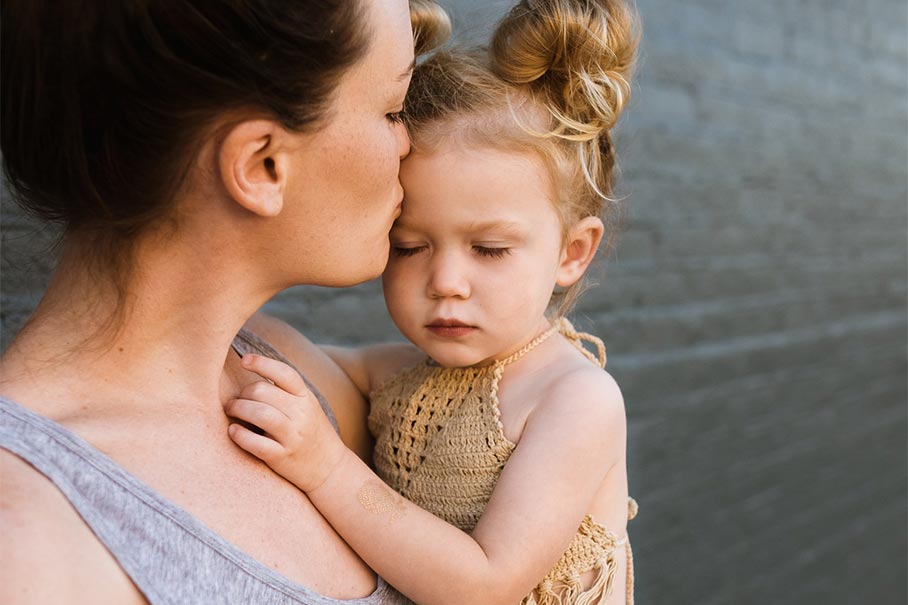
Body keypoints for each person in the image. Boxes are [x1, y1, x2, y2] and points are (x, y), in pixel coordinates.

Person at [0, 0, 449, 603]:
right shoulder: (27, 537)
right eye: (393, 110)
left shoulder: (290, 377)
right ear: (262, 165)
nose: (409, 144)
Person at [223, 1, 641, 603]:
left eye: (490, 249)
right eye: (410, 245)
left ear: (572, 252)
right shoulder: (397, 376)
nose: (446, 280)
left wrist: (326, 467)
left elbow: (484, 584)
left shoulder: (575, 400)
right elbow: (284, 350)